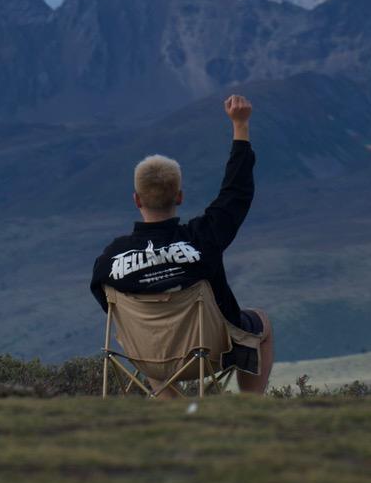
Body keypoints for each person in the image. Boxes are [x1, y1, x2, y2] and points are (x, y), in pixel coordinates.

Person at [90, 94, 274, 395]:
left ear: (136, 199)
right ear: (179, 197)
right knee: (261, 322)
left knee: (151, 336)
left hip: (147, 359)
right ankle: (249, 410)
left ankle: (180, 422)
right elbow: (236, 193)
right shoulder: (203, 237)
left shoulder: (109, 260)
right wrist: (240, 125)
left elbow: (108, 305)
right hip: (208, 354)